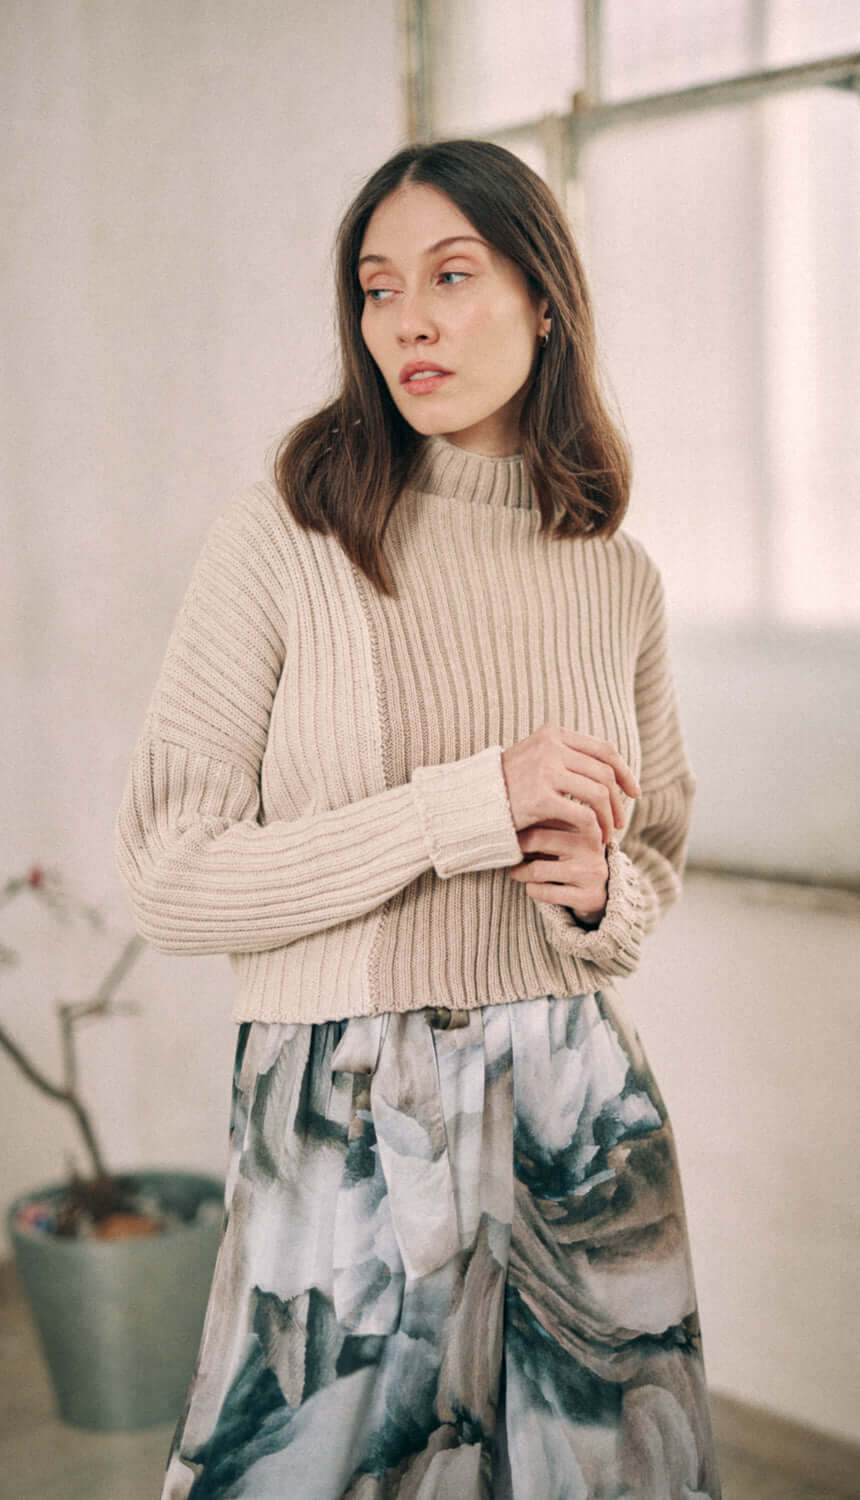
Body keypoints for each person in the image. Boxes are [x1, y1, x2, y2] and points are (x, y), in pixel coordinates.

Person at [115, 137, 721, 1500]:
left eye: (452, 275)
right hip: (340, 1111)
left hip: (576, 1110)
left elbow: (654, 868)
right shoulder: (283, 538)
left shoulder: (614, 576)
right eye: (379, 289)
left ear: (544, 297)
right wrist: (467, 806)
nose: (409, 321)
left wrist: (591, 892)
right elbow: (173, 877)